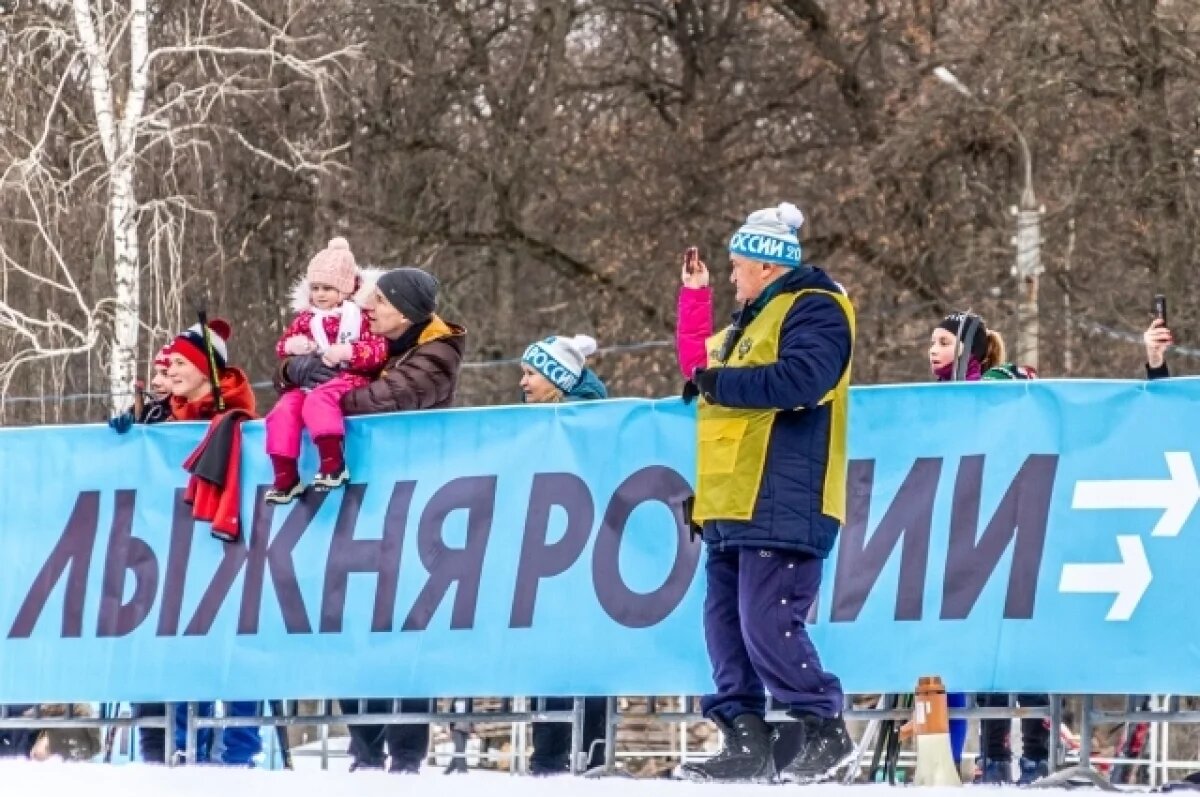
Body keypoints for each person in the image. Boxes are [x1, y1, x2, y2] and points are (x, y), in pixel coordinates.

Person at [675, 202, 856, 784]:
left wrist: (719, 383)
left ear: (767, 265)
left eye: (736, 266)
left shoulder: (817, 308)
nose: (732, 276)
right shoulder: (749, 322)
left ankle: (824, 727)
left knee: (767, 619)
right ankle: (745, 736)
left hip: (786, 491)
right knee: (724, 625)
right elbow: (694, 367)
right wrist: (695, 300)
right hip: (732, 497)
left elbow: (805, 380)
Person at [277, 266, 465, 773]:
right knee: (349, 621)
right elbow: (297, 361)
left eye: (378, 301)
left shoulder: (436, 351)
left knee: (403, 630)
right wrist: (300, 373)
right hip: (358, 503)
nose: (366, 307)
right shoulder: (365, 335)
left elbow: (390, 398)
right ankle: (363, 749)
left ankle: (405, 755)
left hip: (411, 504)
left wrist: (329, 391)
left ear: (403, 311)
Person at [122, 318, 263, 766]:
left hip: (229, 547)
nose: (173, 369)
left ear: (208, 368)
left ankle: (239, 749)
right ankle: (180, 745)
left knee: (237, 646)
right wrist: (132, 431)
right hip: (172, 549)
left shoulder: (240, 412)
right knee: (181, 644)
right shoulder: (166, 412)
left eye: (182, 361)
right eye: (171, 362)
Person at [929, 311, 1046, 785]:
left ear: (965, 348)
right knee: (986, 648)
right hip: (966, 535)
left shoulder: (996, 382)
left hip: (1018, 526)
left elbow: (1028, 387)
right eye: (930, 342)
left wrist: (1005, 382)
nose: (932, 349)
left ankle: (1036, 754)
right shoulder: (929, 400)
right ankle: (993, 756)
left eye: (942, 341)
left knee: (1025, 644)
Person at [519, 333, 609, 773]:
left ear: (557, 379)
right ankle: (548, 755)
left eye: (531, 373)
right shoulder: (531, 424)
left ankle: (593, 754)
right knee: (546, 654)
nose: (523, 382)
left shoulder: (595, 420)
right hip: (544, 554)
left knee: (590, 654)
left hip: (590, 553)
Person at [264, 238, 387, 503]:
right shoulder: (307, 319)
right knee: (283, 410)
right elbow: (282, 345)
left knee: (320, 402)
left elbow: (378, 349)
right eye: (316, 288)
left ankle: (332, 462)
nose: (320, 294)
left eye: (328, 289)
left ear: (345, 289)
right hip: (311, 381)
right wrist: (296, 347)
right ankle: (285, 475)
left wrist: (349, 352)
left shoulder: (363, 316)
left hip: (350, 376)